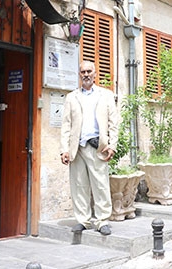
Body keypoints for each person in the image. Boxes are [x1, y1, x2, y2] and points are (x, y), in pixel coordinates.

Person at [60, 60, 119, 236]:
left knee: (100, 184)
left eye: (89, 71)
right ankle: (82, 220)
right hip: (77, 148)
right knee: (79, 185)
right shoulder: (72, 97)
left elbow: (113, 123)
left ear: (95, 74)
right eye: (83, 72)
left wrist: (112, 145)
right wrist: (64, 149)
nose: (86, 75)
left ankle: (102, 221)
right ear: (79, 75)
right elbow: (66, 125)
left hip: (97, 147)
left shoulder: (106, 95)